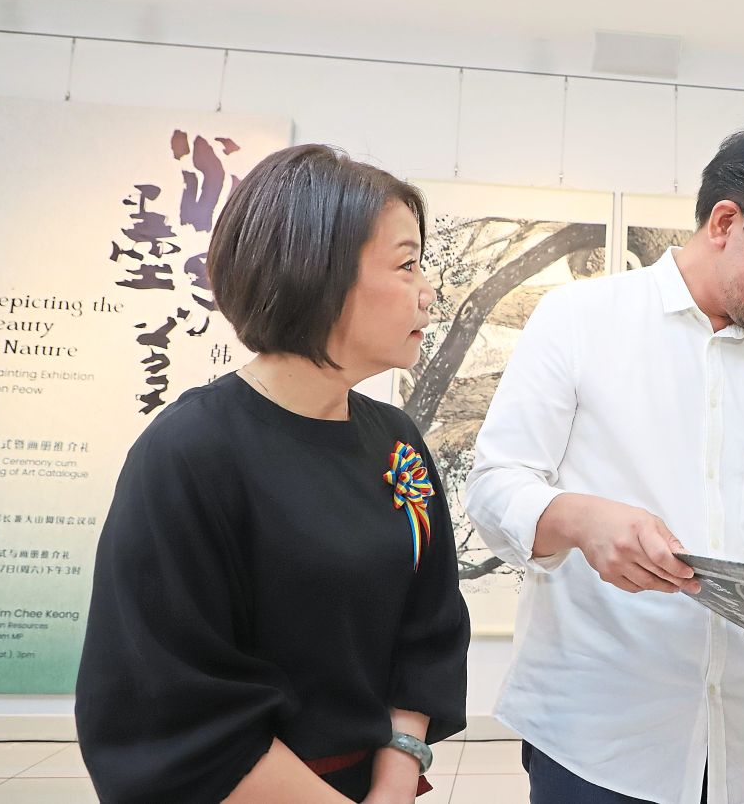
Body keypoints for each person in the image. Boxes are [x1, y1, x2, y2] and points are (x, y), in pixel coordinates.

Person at [464, 114, 744, 804]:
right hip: (597, 736)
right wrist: (580, 519)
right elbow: (497, 484)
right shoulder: (579, 318)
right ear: (725, 221)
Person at [76, 144, 471, 804]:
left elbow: (427, 628)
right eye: (407, 265)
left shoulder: (396, 442)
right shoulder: (188, 453)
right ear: (318, 273)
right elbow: (173, 705)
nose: (428, 290)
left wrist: (396, 773)